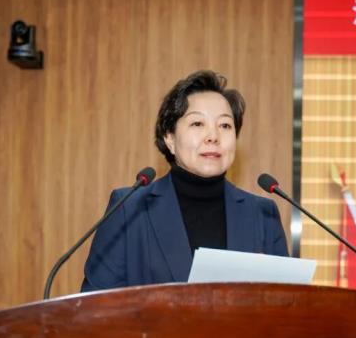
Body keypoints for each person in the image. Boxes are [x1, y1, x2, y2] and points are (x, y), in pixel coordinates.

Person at [81, 70, 288, 291]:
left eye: (225, 125)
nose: (213, 136)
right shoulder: (129, 210)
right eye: (197, 124)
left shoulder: (262, 215)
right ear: (169, 138)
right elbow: (95, 306)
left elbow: (287, 305)